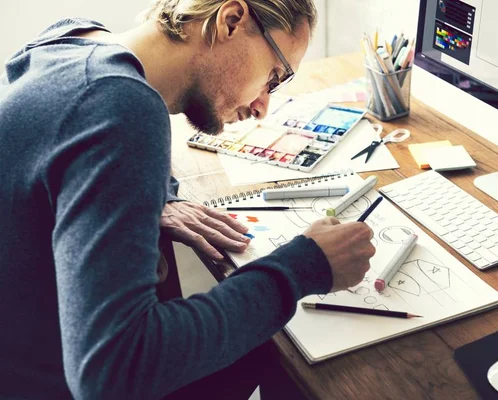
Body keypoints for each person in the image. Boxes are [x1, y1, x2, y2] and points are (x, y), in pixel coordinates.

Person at [0, 0, 376, 399]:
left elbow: (64, 149)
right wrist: (304, 267)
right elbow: (112, 374)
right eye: (274, 76)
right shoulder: (119, 104)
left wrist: (156, 196)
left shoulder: (72, 40)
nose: (263, 106)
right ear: (231, 21)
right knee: (288, 349)